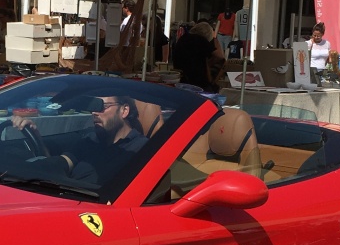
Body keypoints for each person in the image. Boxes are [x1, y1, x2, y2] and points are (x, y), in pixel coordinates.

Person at [14, 93, 147, 189]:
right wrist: (36, 136)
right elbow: (59, 164)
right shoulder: (91, 139)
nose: (94, 112)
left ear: (124, 111)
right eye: (93, 107)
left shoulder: (140, 149)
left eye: (102, 107)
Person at [170, 20, 225, 92]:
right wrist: (215, 39)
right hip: (196, 81)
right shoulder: (201, 40)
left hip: (180, 78)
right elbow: (220, 56)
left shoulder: (183, 38)